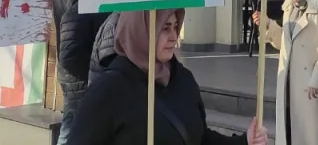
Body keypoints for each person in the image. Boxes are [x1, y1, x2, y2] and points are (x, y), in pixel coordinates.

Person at [71, 9, 268, 145]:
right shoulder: (108, 91)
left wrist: (244, 141)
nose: (174, 36)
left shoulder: (182, 79)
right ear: (141, 31)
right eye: (165, 28)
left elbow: (199, 138)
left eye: (175, 27)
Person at [252, 0, 318, 145]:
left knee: (307, 134)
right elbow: (286, 42)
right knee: (289, 130)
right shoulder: (289, 7)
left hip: (309, 85)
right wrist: (268, 24)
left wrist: (317, 79)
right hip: (289, 81)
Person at [52, 0, 108, 145]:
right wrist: (92, 73)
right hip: (82, 77)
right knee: (74, 129)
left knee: (72, 127)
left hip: (73, 74)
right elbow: (71, 50)